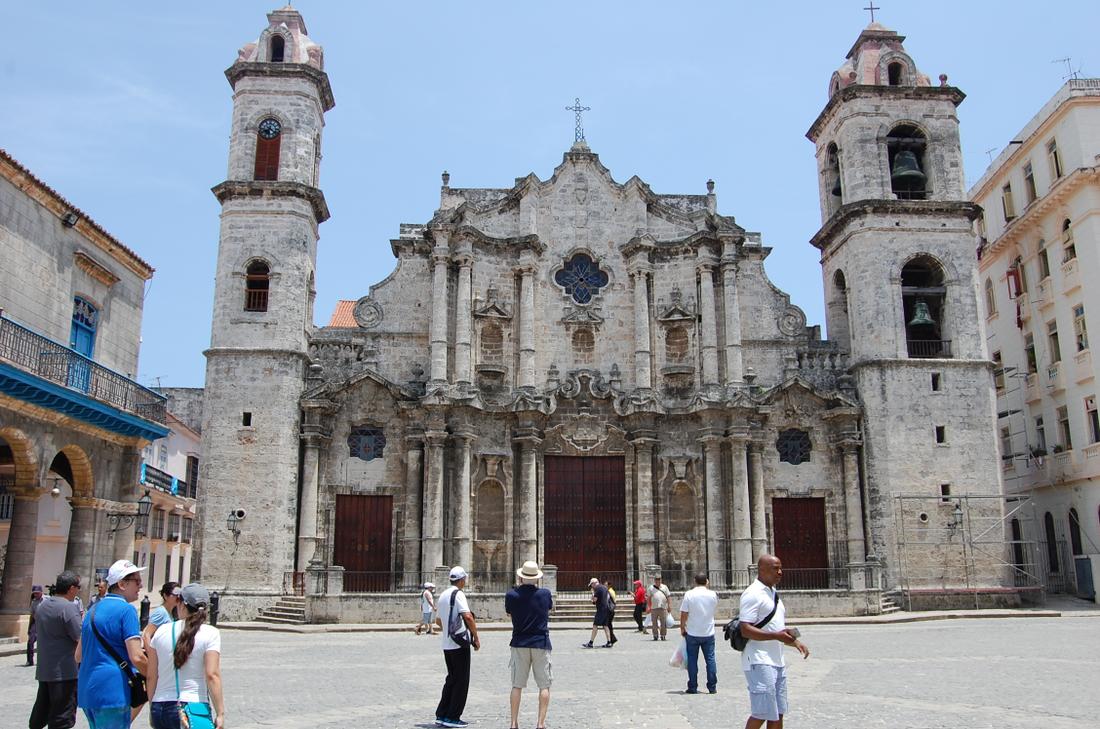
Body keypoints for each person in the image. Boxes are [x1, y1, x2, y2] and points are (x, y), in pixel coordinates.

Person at [739, 554, 810, 729]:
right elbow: (745, 629)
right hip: (758, 660)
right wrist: (776, 636)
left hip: (776, 660)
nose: (780, 572)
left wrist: (793, 642)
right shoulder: (752, 593)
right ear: (761, 570)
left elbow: (773, 628)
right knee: (762, 713)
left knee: (778, 712)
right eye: (775, 568)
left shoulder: (773, 593)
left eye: (780, 568)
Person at [77, 559, 149, 729]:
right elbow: (137, 656)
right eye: (137, 581)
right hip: (113, 690)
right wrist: (154, 676)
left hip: (88, 690)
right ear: (122, 584)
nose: (140, 585)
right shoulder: (127, 610)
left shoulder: (92, 611)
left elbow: (78, 655)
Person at [147, 583, 225, 729]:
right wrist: (220, 713)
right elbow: (212, 674)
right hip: (192, 705)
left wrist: (153, 706)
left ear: (182, 604)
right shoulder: (210, 633)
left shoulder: (161, 631)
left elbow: (152, 676)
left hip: (160, 706)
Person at [28, 571, 82, 729]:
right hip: (65, 672)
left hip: (45, 670)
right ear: (71, 588)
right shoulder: (68, 608)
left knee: (41, 713)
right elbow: (80, 638)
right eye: (78, 587)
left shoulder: (43, 606)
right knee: (62, 718)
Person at [504, 561, 553, 729]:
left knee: (517, 685)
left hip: (519, 643)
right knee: (544, 685)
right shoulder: (545, 594)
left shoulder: (511, 595)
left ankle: (513, 722)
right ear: (537, 579)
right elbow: (548, 610)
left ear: (520, 577)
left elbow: (510, 613)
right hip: (541, 643)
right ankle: (540, 723)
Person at [433, 566, 480, 728]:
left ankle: (441, 714)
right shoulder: (458, 594)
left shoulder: (443, 595)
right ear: (461, 580)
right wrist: (475, 637)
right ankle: (453, 717)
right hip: (459, 644)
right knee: (461, 681)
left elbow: (438, 621)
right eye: (464, 579)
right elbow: (467, 616)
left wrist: (448, 631)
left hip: (447, 644)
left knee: (451, 679)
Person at [679, 573, 719, 694]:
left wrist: (682, 627)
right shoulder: (713, 595)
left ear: (694, 581)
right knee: (710, 660)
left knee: (692, 660)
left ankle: (693, 686)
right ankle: (712, 687)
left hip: (692, 632)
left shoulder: (689, 594)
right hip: (708, 632)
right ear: (707, 581)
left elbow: (684, 613)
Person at [142, 582, 181, 650]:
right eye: (175, 594)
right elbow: (146, 635)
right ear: (165, 596)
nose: (178, 597)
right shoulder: (160, 612)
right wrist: (151, 656)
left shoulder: (173, 612)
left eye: (179, 595)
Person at [582, 578, 612, 648]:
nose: (591, 587)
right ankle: (609, 642)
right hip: (606, 608)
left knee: (595, 625)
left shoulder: (597, 589)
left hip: (601, 609)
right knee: (605, 626)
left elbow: (594, 600)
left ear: (594, 583)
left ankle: (590, 643)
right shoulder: (604, 587)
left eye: (591, 585)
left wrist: (592, 594)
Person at [647, 575, 672, 641]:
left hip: (663, 607)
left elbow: (668, 596)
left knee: (663, 622)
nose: (658, 581)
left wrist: (669, 605)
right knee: (654, 622)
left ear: (661, 580)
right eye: (657, 580)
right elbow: (648, 598)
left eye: (659, 579)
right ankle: (655, 635)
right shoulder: (651, 588)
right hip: (654, 608)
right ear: (655, 580)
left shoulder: (665, 587)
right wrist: (649, 607)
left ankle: (663, 635)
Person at [25, 585, 44, 666]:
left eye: (37, 593)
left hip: (45, 623)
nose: (36, 595)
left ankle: (43, 660)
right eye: (34, 593)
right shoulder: (33, 602)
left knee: (43, 642)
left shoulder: (47, 600)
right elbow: (32, 614)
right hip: (36, 622)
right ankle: (29, 660)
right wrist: (30, 627)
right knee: (30, 641)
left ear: (41, 592)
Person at [602, 578, 618, 645]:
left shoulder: (610, 591)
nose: (604, 586)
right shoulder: (608, 591)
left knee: (608, 625)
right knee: (608, 625)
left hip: (610, 610)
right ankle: (612, 639)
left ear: (609, 585)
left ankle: (612, 639)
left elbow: (613, 601)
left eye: (605, 585)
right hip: (610, 610)